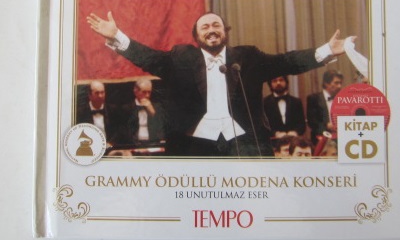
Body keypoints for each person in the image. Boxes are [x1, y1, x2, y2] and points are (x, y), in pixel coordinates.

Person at [87, 11, 353, 157]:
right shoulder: (181, 57)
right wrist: (117, 36)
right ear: (196, 37)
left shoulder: (248, 57)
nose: (211, 29)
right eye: (205, 27)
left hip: (245, 145)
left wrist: (326, 50)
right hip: (194, 147)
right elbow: (149, 58)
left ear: (225, 32)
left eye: (216, 25)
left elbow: (286, 62)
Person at [121, 77, 166, 144]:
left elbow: (161, 127)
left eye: (149, 92)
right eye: (144, 92)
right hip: (134, 144)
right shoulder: (127, 108)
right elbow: (126, 129)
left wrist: (152, 112)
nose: (147, 95)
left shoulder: (157, 107)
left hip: (153, 143)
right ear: (136, 91)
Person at [306, 69, 344, 145]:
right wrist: (326, 126)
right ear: (326, 83)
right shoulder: (314, 98)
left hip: (340, 139)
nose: (339, 86)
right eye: (336, 83)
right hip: (321, 140)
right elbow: (312, 122)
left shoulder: (343, 99)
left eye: (340, 83)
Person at [76, 80, 119, 145]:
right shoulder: (80, 112)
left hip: (109, 147)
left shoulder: (113, 110)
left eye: (102, 92)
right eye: (97, 93)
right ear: (89, 95)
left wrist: (110, 143)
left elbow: (118, 132)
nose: (100, 96)